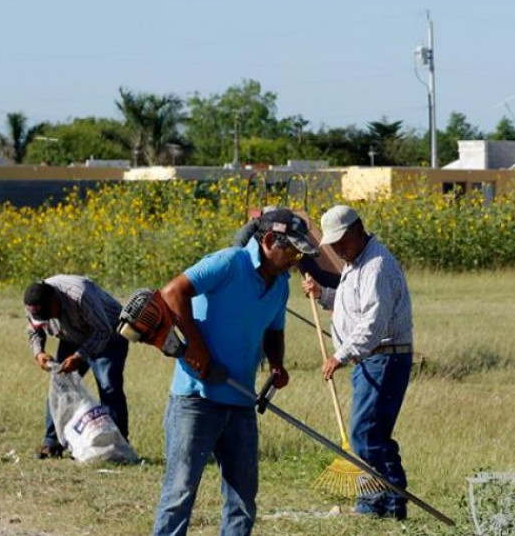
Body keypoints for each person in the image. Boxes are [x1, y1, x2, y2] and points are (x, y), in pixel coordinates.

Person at [152, 208, 318, 536]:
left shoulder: (281, 284)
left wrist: (276, 364)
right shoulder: (229, 263)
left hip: (241, 401)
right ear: (269, 240)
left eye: (301, 253)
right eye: (293, 251)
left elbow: (274, 330)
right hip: (196, 399)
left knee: (243, 498)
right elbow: (173, 293)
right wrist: (198, 348)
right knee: (180, 493)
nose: (297, 260)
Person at [302, 204, 414, 520]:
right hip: (368, 360)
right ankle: (372, 502)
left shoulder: (377, 265)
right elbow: (350, 303)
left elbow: (372, 324)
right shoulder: (357, 262)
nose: (337, 249)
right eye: (333, 244)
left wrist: (339, 356)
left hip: (384, 359)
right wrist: (322, 292)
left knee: (367, 434)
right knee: (368, 433)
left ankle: (393, 504)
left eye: (340, 242)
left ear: (357, 230)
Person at [25, 276, 130, 459]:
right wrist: (38, 352)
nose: (47, 319)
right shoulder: (35, 301)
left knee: (109, 386)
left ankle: (116, 446)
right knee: (60, 385)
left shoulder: (80, 294)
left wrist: (79, 357)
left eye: (48, 315)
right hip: (71, 337)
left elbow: (103, 331)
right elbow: (34, 329)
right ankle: (52, 443)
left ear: (55, 300)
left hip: (108, 335)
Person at [233, 206, 340, 289]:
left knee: (315, 274)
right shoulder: (244, 242)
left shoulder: (288, 243)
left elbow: (314, 273)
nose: (293, 262)